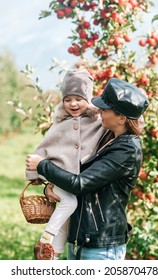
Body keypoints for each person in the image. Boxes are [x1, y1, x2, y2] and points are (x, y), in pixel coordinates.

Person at [26, 77, 149, 260]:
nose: (99, 111)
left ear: (122, 118)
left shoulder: (126, 150)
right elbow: (75, 171)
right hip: (79, 240)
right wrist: (50, 186)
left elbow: (80, 183)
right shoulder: (108, 139)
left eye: (105, 109)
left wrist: (42, 165)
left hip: (101, 246)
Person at [25, 68, 106, 260]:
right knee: (70, 202)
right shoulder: (59, 124)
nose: (73, 103)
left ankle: (52, 256)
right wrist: (34, 176)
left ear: (89, 98)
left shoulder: (98, 121)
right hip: (58, 176)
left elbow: (120, 123)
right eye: (67, 99)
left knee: (66, 222)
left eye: (78, 98)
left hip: (79, 180)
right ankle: (46, 238)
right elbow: (42, 150)